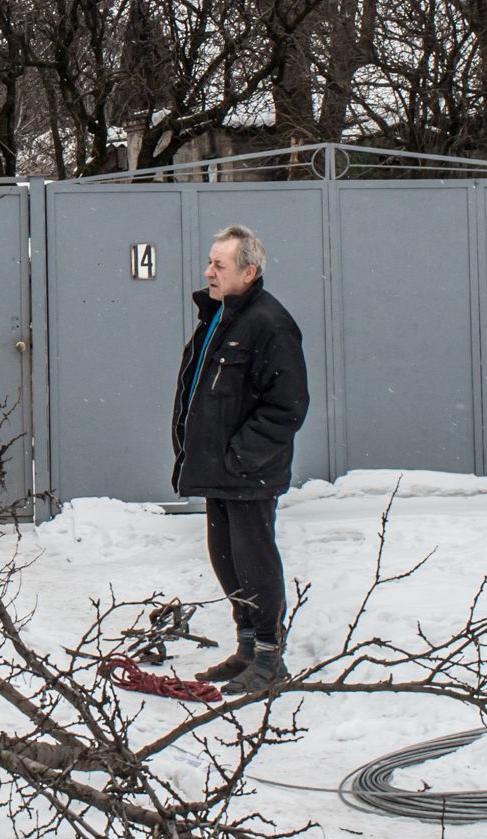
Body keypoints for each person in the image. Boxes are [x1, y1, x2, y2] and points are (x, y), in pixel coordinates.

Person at [170, 224, 311, 693]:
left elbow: (287, 404)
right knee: (226, 559)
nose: (208, 271)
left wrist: (240, 455)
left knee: (255, 561)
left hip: (248, 471)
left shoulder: (269, 323)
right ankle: (248, 648)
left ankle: (271, 659)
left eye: (219, 265)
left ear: (248, 272)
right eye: (210, 262)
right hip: (218, 469)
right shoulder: (219, 316)